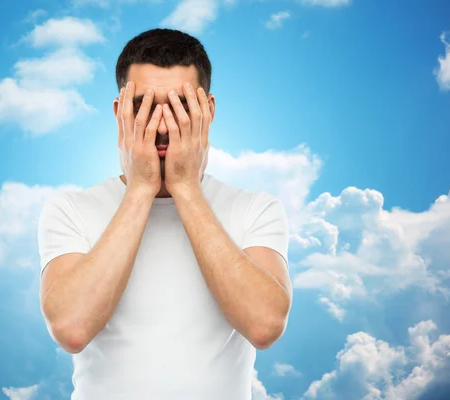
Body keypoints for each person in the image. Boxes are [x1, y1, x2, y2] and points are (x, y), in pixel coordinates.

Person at [38, 28, 292, 400]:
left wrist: (186, 187)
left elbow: (265, 326)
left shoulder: (255, 208)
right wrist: (140, 189)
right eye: (143, 107)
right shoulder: (71, 209)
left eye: (179, 107)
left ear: (209, 110)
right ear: (118, 111)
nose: (160, 127)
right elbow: (71, 329)